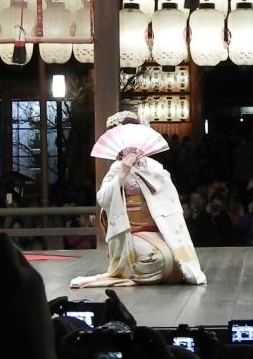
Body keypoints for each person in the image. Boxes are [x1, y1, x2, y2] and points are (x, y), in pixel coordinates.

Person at [70, 111, 206, 287]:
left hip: (156, 230)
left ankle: (142, 270)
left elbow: (169, 200)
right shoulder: (117, 169)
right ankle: (132, 270)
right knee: (158, 259)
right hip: (129, 233)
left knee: (177, 261)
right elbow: (102, 198)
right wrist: (122, 175)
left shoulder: (155, 167)